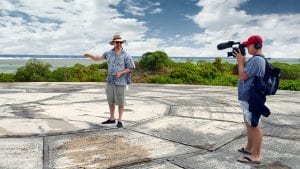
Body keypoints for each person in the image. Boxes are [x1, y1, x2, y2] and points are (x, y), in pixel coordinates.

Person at [84, 35, 135, 128]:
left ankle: (119, 120)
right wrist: (90, 56)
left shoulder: (126, 55)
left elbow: (131, 67)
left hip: (121, 82)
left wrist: (120, 73)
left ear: (122, 43)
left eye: (120, 42)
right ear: (113, 43)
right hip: (110, 81)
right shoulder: (108, 53)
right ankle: (112, 118)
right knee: (110, 101)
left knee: (121, 101)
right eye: (117, 42)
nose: (118, 44)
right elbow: (98, 58)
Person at [233, 35, 266, 164]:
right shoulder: (255, 60)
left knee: (254, 125)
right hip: (247, 97)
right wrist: (242, 61)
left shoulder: (257, 60)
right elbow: (248, 72)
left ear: (257, 45)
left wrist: (240, 62)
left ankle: (256, 155)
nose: (246, 47)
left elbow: (242, 76)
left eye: (248, 45)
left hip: (251, 98)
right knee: (249, 123)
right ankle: (249, 148)